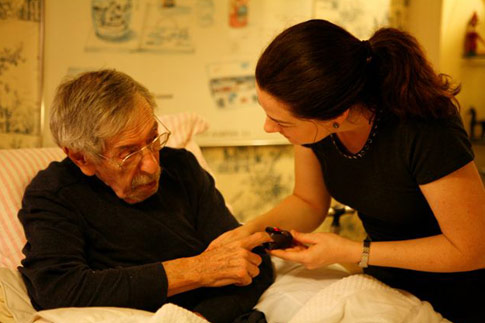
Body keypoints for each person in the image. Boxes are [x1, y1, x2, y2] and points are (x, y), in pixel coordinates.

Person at [210, 19, 485, 322]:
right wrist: (249, 232)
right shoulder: (317, 129)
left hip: (462, 287)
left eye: (282, 122)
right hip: (389, 282)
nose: (268, 127)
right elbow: (308, 201)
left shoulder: (424, 129)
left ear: (336, 115)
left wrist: (354, 251)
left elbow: (471, 249)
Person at [18, 69, 274, 323]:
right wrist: (197, 270)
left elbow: (250, 262)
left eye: (153, 140)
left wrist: (197, 318)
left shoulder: (182, 168)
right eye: (128, 154)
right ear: (81, 157)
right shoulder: (54, 194)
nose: (152, 166)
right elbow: (60, 290)